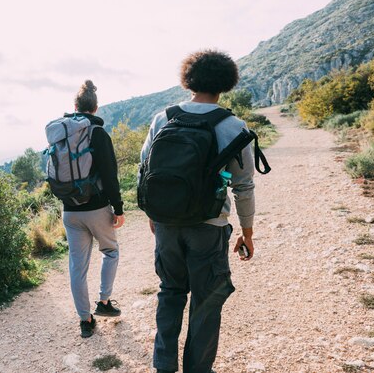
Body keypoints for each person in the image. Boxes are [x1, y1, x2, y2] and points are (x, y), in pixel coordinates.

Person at [140, 50, 256, 373]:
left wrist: (153, 215)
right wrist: (247, 232)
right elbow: (243, 186)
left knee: (170, 291)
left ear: (188, 79)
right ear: (225, 83)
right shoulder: (233, 126)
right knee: (206, 300)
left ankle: (163, 366)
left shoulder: (162, 118)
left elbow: (144, 170)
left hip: (166, 225)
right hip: (209, 226)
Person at [61, 80, 125, 338]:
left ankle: (85, 321)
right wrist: (118, 208)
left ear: (75, 107)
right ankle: (104, 303)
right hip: (97, 208)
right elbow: (110, 175)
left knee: (78, 266)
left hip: (69, 211)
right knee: (110, 251)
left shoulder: (63, 133)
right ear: (95, 108)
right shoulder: (98, 133)